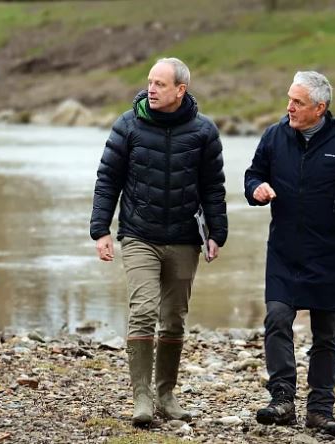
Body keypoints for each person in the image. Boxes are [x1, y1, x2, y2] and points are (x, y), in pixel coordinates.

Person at [90, 57, 227, 427]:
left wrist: (217, 232)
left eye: (160, 84)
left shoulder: (204, 132)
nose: (151, 89)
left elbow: (213, 187)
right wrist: (101, 229)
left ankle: (166, 394)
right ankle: (142, 398)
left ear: (180, 90)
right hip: (139, 235)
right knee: (144, 310)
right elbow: (107, 179)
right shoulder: (128, 125)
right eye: (150, 82)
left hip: (184, 239)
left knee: (174, 319)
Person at [244, 71, 335, 437]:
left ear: (320, 108)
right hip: (283, 251)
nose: (289, 107)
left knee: (327, 335)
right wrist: (256, 188)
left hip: (328, 254)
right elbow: (252, 175)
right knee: (277, 318)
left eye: (297, 102)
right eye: (289, 99)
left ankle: (320, 409)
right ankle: (282, 399)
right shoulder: (274, 137)